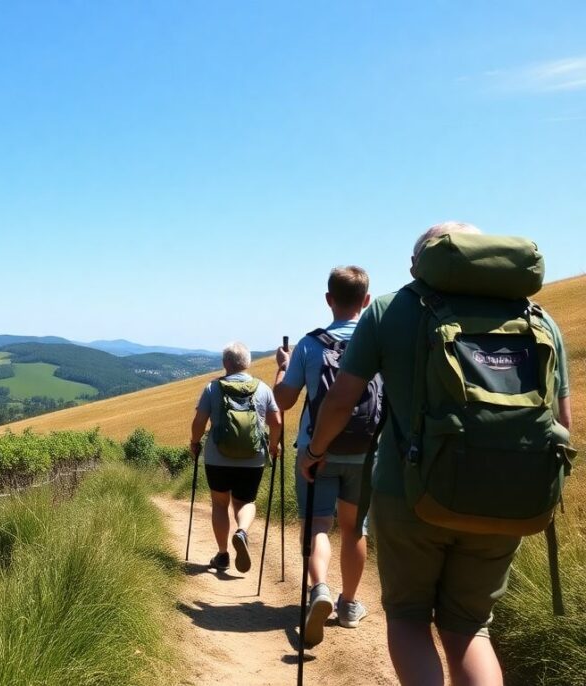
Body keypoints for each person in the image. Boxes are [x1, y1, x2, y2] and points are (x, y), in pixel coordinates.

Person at [304, 222, 573, 685]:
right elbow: (562, 426)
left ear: (419, 264)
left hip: (409, 495)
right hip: (507, 500)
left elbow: (342, 399)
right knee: (470, 628)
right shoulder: (538, 319)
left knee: (408, 617)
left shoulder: (391, 309)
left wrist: (315, 449)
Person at [273, 266, 377, 648]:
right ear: (365, 301)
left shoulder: (309, 345)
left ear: (328, 299)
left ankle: (319, 589)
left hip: (316, 452)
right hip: (366, 454)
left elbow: (283, 401)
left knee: (318, 525)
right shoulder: (378, 343)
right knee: (354, 528)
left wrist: (283, 369)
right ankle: (349, 604)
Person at [190, 341, 282, 573]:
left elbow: (199, 422)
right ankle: (241, 531)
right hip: (253, 458)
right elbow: (277, 422)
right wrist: (273, 445)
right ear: (248, 363)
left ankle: (222, 556)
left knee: (220, 504)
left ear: (226, 363)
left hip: (218, 458)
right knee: (246, 502)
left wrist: (194, 443)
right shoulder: (262, 389)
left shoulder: (212, 388)